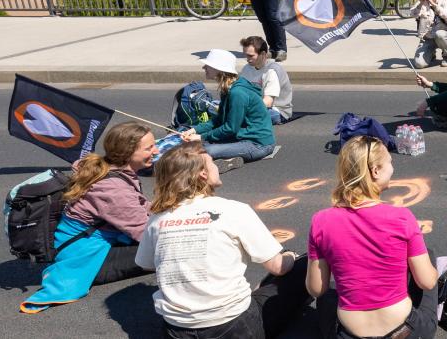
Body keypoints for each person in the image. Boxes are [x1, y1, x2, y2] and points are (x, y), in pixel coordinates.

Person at [136, 142, 311, 338]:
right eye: (212, 162)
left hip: (176, 328)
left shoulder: (158, 217)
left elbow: (146, 264)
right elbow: (278, 267)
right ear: (203, 174)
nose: (216, 166)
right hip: (232, 323)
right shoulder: (233, 209)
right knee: (302, 266)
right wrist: (291, 256)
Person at [308, 136, 439, 339]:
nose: (392, 168)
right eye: (390, 163)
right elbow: (427, 283)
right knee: (428, 261)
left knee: (329, 298)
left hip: (349, 334)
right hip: (404, 332)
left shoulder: (321, 221)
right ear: (375, 171)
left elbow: (316, 289)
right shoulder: (402, 217)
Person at [20, 122, 157, 313]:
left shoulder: (109, 169)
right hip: (85, 257)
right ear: (128, 152)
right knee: (165, 252)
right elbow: (146, 234)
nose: (156, 150)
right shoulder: (113, 190)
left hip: (87, 243)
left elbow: (140, 206)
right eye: (149, 147)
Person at [181, 49, 277, 172]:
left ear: (219, 70)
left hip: (258, 144)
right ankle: (227, 157)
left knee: (205, 150)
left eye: (208, 65)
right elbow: (219, 120)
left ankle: (226, 159)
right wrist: (194, 130)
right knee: (196, 146)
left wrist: (201, 137)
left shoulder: (237, 93)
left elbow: (230, 128)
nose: (204, 67)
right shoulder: (228, 89)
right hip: (242, 137)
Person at [240, 36, 294, 125]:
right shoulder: (247, 68)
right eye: (245, 55)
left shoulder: (272, 71)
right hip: (255, 107)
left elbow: (268, 102)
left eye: (251, 55)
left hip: (277, 110)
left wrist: (241, 110)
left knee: (241, 117)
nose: (247, 59)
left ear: (263, 54)